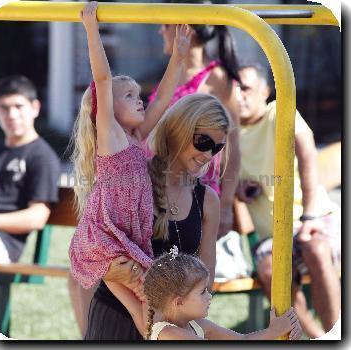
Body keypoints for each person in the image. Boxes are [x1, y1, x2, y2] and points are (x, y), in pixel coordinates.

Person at [68, 1, 192, 335]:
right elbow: (103, 79)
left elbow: (163, 99)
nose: (140, 100)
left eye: (139, 94)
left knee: (145, 311)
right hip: (107, 242)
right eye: (129, 95)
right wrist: (92, 29)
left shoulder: (135, 138)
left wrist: (178, 59)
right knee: (151, 299)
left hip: (121, 242)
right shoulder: (112, 138)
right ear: (106, 107)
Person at [84, 91, 232, 340]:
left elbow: (205, 280)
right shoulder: (133, 179)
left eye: (216, 148)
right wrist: (139, 315)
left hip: (169, 331)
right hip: (119, 316)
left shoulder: (207, 200)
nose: (208, 155)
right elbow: (98, 252)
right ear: (179, 131)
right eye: (203, 142)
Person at [235, 62, 341, 339]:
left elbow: (306, 146)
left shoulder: (277, 112)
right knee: (270, 269)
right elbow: (221, 182)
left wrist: (310, 217)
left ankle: (336, 334)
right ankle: (318, 337)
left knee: (315, 247)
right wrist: (237, 188)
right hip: (273, 236)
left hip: (310, 220)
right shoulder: (229, 131)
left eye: (245, 87)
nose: (239, 94)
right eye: (234, 87)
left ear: (264, 91)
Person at [149, 0, 241, 237]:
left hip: (194, 188)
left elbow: (233, 146)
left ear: (184, 28)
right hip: (158, 184)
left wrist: (227, 206)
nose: (160, 31)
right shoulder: (171, 74)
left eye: (165, 25)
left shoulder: (216, 79)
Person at [117, 251, 302, 340]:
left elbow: (242, 341)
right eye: (202, 292)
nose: (209, 296)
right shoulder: (169, 334)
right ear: (179, 302)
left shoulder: (197, 325)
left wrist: (273, 331)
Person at [0, 75, 60, 266]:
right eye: (4, 108)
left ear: (35, 108)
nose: (11, 115)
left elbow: (37, 217)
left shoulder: (42, 157)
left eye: (18, 106)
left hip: (1, 243)